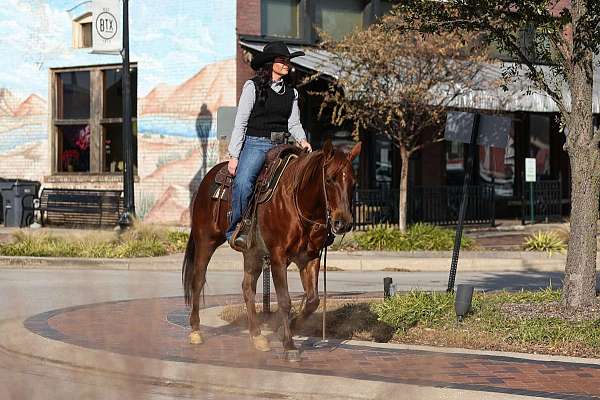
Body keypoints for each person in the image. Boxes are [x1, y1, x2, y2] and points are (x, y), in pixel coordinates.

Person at [226, 41, 312, 250]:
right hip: (256, 144)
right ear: (270, 63)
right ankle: (238, 228)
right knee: (244, 181)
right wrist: (234, 155)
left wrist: (302, 140)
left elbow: (293, 123)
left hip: (283, 145)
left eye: (287, 61)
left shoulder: (292, 93)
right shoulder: (252, 87)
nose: (286, 64)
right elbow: (241, 122)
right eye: (282, 60)